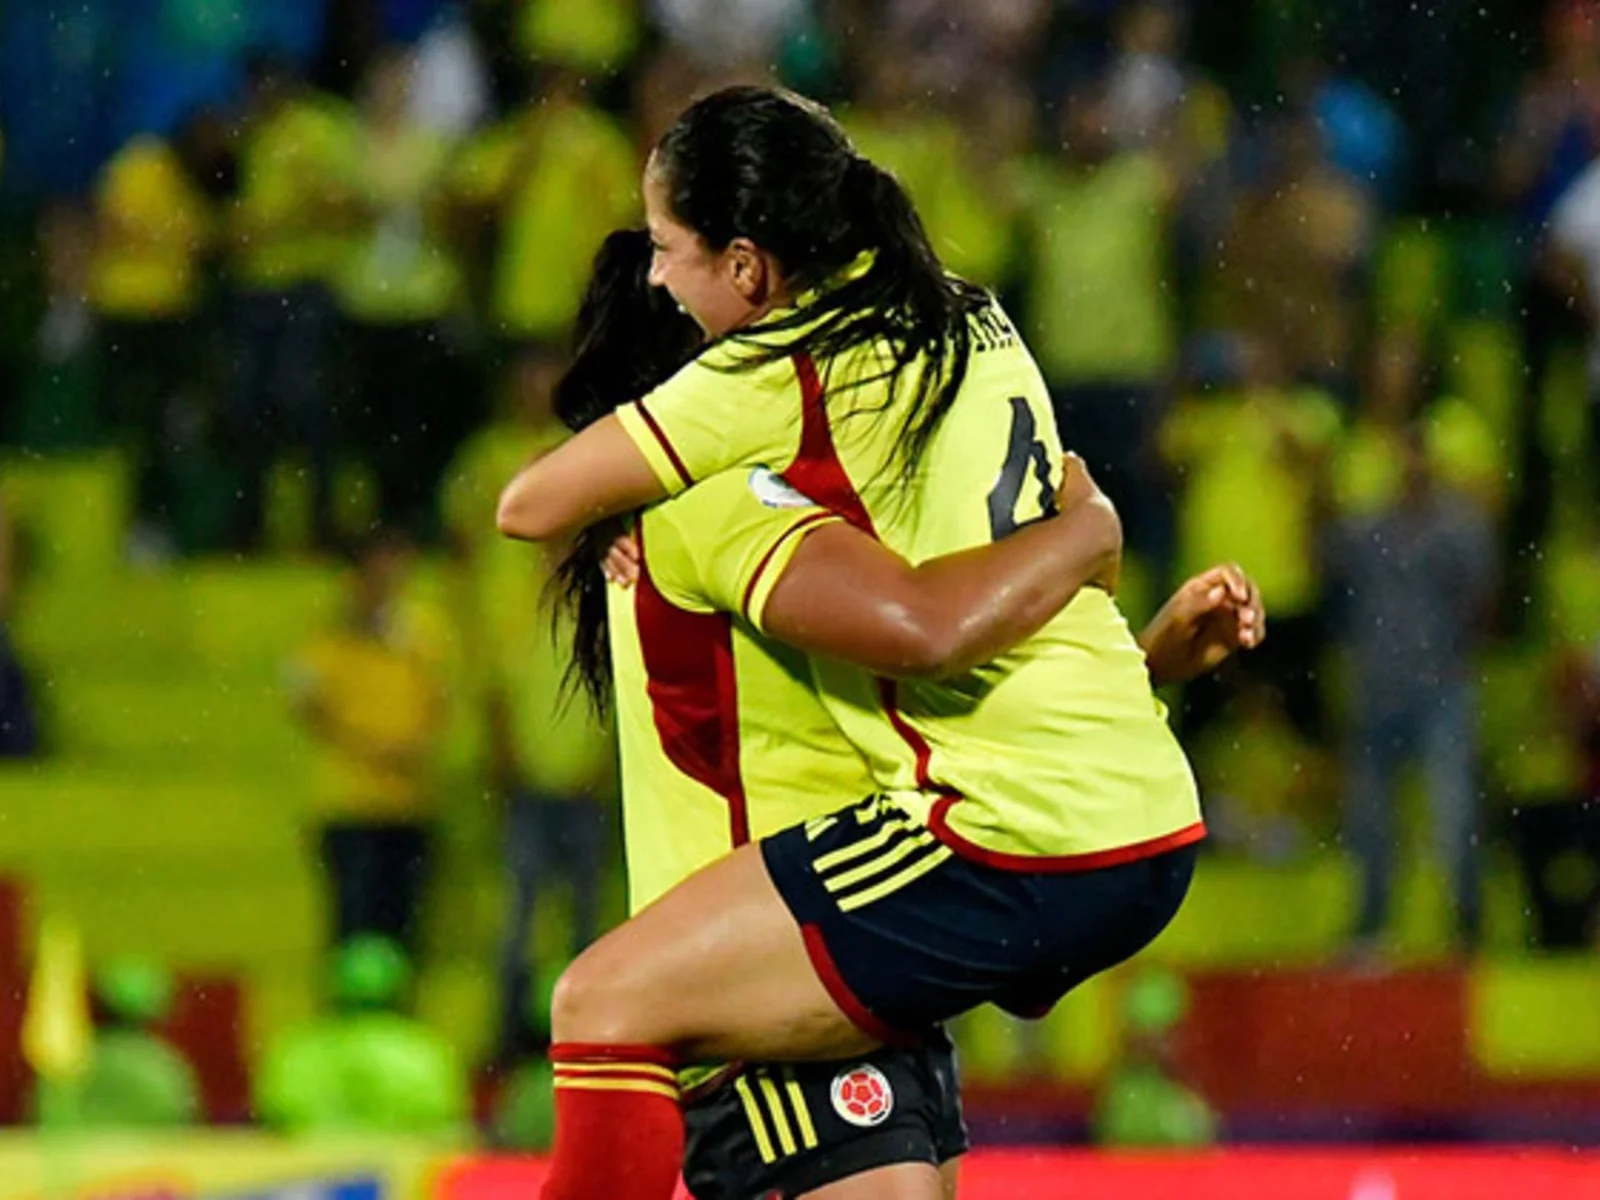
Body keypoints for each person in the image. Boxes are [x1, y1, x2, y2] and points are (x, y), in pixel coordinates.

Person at [497, 84, 1259, 1198]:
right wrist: (1101, 568)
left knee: (597, 1002)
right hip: (868, 935)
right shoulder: (948, 340)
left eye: (669, 251)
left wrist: (1094, 549)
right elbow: (939, 666)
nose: (662, 277)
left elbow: (928, 634)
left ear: (743, 286)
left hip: (793, 966)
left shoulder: (728, 497)